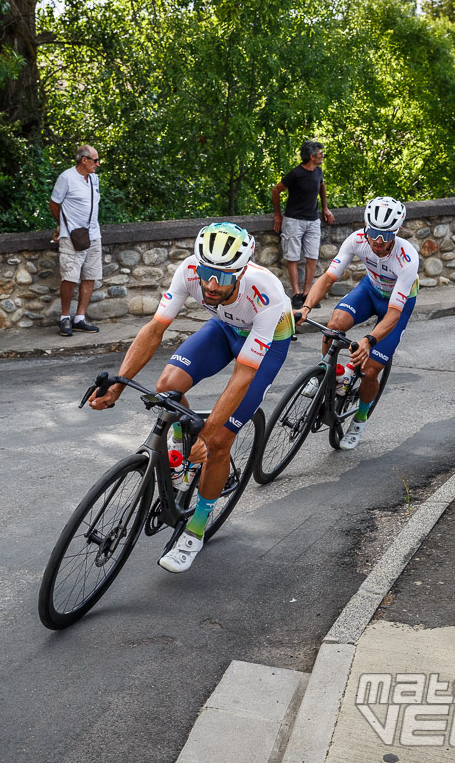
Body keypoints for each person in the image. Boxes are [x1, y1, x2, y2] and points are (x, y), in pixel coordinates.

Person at [89, 222, 295, 573]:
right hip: (225, 328)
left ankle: (196, 528)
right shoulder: (188, 271)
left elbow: (244, 372)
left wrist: (211, 430)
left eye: (223, 277)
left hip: (267, 342)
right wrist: (120, 383)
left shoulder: (267, 292)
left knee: (218, 442)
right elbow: (155, 328)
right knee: (166, 386)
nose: (212, 285)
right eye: (206, 273)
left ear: (242, 271)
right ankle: (184, 449)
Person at [299, 196, 419, 450]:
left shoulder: (407, 258)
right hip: (371, 290)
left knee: (370, 370)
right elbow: (329, 277)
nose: (378, 240)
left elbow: (395, 313)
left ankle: (360, 419)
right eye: (373, 232)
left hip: (397, 303)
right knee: (334, 326)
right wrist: (306, 307)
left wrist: (368, 340)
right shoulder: (356, 240)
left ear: (396, 233)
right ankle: (327, 375)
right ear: (366, 227)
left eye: (386, 235)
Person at [272, 139, 335, 309]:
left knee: (312, 257)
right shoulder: (295, 174)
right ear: (310, 155)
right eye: (320, 152)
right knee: (292, 257)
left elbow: (322, 187)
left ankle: (308, 294)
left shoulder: (318, 171)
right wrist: (278, 215)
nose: (322, 155)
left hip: (313, 221)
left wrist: (325, 209)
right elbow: (276, 190)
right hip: (293, 220)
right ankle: (296, 294)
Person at [49, 144, 102, 335]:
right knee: (70, 277)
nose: (97, 164)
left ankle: (80, 317)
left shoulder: (94, 179)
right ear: (84, 160)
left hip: (94, 235)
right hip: (72, 236)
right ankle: (64, 317)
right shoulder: (67, 177)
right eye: (95, 160)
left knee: (90, 276)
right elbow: (54, 204)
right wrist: (64, 226)